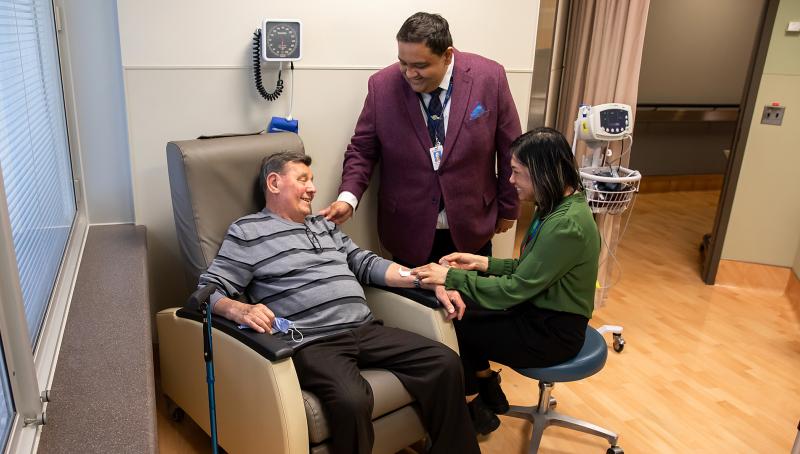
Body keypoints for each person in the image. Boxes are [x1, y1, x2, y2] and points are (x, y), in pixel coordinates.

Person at [198, 151, 479, 454]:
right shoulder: (248, 231)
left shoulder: (324, 225)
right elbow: (207, 290)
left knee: (446, 362)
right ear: (274, 182)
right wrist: (239, 307)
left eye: (313, 180)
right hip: (313, 341)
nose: (313, 188)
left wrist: (424, 279)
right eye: (303, 179)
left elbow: (366, 263)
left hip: (366, 328)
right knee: (352, 400)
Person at [412, 127, 601, 434]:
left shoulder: (566, 225)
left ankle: (473, 409)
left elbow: (513, 291)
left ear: (542, 172)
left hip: (553, 333)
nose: (511, 181)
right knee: (460, 308)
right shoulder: (555, 207)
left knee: (455, 320)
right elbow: (531, 269)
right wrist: (482, 262)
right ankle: (486, 388)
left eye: (516, 172)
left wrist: (451, 276)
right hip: (538, 311)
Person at [320, 12, 521, 266]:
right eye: (403, 62)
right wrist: (348, 199)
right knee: (413, 306)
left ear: (447, 55)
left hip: (472, 227)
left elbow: (510, 148)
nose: (409, 73)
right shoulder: (381, 86)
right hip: (407, 231)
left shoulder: (490, 77)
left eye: (421, 66)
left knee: (470, 304)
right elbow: (362, 150)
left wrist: (508, 207)